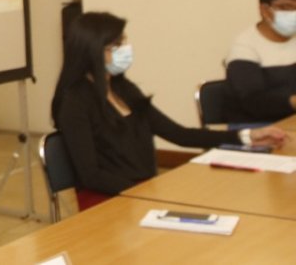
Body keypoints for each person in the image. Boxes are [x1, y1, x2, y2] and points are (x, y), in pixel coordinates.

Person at [51, 11, 288, 210]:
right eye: (116, 45)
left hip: (143, 192)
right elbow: (91, 174)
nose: (125, 49)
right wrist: (148, 193)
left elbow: (180, 134)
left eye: (124, 41)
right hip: (107, 202)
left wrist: (246, 137)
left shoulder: (125, 89)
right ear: (91, 50)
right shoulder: (75, 102)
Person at [225, 0, 296, 123]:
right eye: (286, 7)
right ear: (265, 10)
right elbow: (253, 102)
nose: (293, 14)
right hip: (256, 130)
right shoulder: (244, 47)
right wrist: (293, 102)